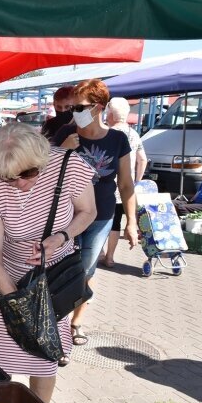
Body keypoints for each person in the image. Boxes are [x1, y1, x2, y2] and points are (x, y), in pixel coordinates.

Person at [0, 123, 97, 403]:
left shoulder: (69, 166)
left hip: (52, 281)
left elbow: (88, 211)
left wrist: (61, 236)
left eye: (28, 173)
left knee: (44, 358)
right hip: (9, 281)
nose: (20, 183)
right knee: (1, 358)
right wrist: (20, 308)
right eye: (10, 177)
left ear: (41, 159)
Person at [54, 79, 138, 361]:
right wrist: (63, 149)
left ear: (99, 108)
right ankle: (57, 329)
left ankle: (74, 323)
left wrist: (131, 222)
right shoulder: (65, 133)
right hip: (66, 215)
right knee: (62, 270)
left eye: (80, 107)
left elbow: (126, 184)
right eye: (73, 106)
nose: (74, 111)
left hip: (101, 215)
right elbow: (43, 172)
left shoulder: (117, 139)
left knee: (85, 271)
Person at [101, 97, 148, 267]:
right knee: (116, 222)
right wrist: (137, 181)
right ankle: (110, 257)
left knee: (101, 219)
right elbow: (143, 160)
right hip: (126, 189)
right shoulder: (134, 134)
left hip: (108, 186)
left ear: (111, 114)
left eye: (107, 113)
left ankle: (99, 252)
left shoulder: (107, 133)